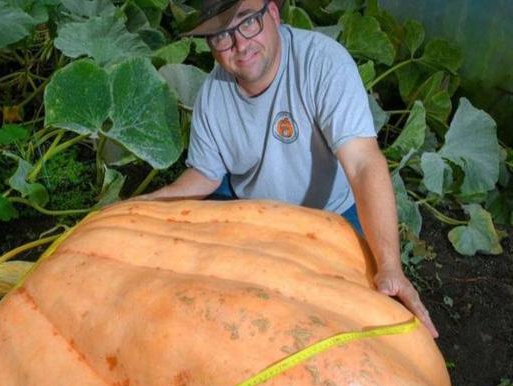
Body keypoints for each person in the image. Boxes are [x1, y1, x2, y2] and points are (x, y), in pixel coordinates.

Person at [143, 0, 438, 337]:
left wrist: (390, 267)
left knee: (354, 316)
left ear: (272, 13)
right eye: (222, 36)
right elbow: (206, 175)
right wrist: (145, 205)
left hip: (332, 214)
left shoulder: (322, 62)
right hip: (251, 212)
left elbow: (362, 163)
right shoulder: (213, 94)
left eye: (247, 22)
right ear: (212, 45)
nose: (240, 44)